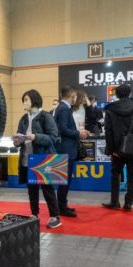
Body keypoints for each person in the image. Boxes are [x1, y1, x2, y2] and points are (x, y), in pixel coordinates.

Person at [13, 89, 62, 228]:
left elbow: (53, 138)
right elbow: (20, 135)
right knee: (32, 189)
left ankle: (55, 216)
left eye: (26, 100)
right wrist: (17, 141)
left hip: (43, 158)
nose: (24, 103)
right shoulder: (24, 118)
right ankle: (34, 214)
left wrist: (36, 137)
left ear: (34, 100)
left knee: (48, 189)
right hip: (27, 158)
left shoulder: (46, 116)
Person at [102, 84, 133, 210]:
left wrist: (111, 150)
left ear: (116, 94)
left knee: (115, 174)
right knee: (132, 175)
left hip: (116, 148)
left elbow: (108, 131)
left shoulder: (111, 109)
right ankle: (128, 203)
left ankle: (114, 202)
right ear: (130, 93)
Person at [54, 86, 89, 217]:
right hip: (66, 149)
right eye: (74, 96)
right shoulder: (64, 108)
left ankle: (62, 205)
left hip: (66, 148)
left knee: (65, 180)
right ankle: (62, 207)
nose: (76, 98)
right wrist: (78, 134)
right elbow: (63, 129)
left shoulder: (62, 107)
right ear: (71, 95)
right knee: (65, 180)